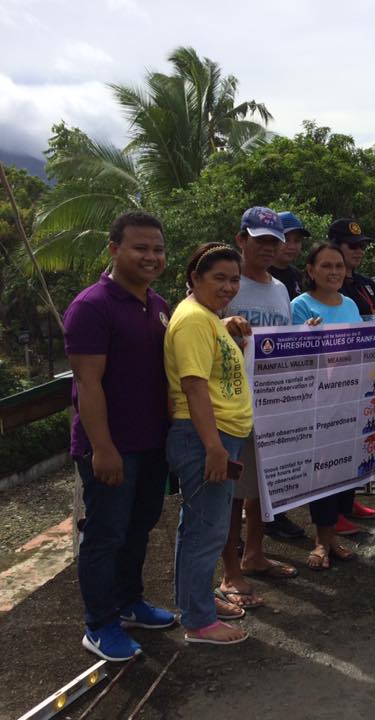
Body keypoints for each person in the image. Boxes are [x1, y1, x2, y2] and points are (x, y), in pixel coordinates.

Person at [64, 211, 176, 661]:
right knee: (106, 535)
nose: (151, 257)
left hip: (153, 443)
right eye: (140, 248)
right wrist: (103, 448)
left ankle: (129, 603)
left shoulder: (159, 304)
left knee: (139, 528)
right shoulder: (92, 306)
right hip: (111, 446)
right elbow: (87, 385)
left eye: (158, 249)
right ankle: (100, 624)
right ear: (114, 249)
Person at [165, 243, 252, 645]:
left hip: (216, 436)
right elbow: (194, 386)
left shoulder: (208, 318)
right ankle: (199, 622)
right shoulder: (195, 321)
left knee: (198, 526)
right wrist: (214, 447)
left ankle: (195, 601)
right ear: (194, 278)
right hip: (206, 438)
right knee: (208, 531)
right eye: (219, 277)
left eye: (234, 279)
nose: (228, 286)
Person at [218, 207, 299, 612]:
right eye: (260, 239)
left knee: (262, 486)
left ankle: (254, 553)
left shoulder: (282, 289)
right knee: (231, 492)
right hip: (230, 405)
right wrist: (224, 325)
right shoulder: (225, 285)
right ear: (241, 240)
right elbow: (195, 327)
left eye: (275, 240)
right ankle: (229, 571)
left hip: (273, 402)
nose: (269, 247)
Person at [291, 243, 364, 569]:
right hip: (317, 401)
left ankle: (333, 536)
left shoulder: (350, 303)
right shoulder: (300, 306)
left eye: (338, 266)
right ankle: (321, 541)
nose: (334, 272)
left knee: (342, 468)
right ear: (310, 270)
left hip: (348, 397)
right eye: (326, 266)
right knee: (321, 471)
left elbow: (364, 344)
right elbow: (291, 353)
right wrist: (306, 335)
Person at [326, 217, 375, 528]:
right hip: (335, 378)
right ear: (335, 247)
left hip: (367, 374)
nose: (359, 251)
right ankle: (332, 513)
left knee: (357, 441)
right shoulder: (328, 287)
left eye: (362, 246)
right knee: (333, 445)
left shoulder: (364, 283)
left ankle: (347, 501)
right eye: (352, 246)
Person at [263, 211, 311, 541]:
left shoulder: (291, 281)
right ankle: (234, 534)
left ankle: (275, 516)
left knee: (278, 454)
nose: (291, 246)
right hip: (244, 383)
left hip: (286, 379)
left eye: (296, 241)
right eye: (285, 239)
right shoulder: (248, 277)